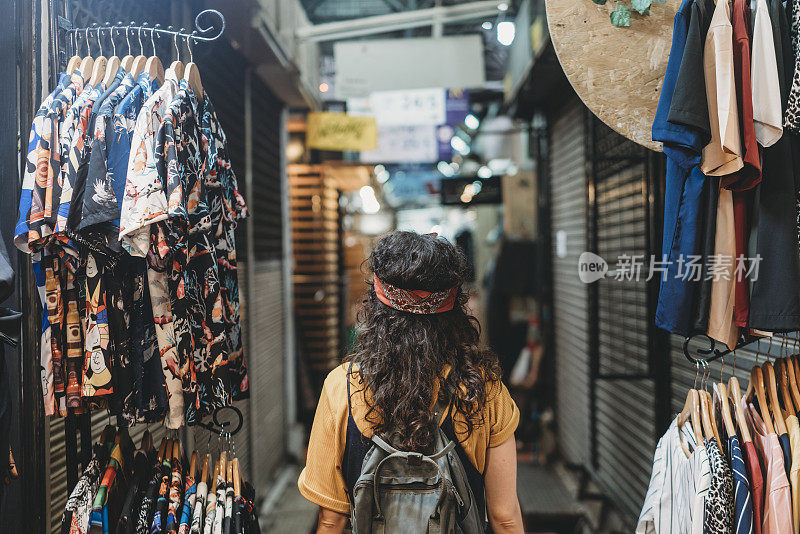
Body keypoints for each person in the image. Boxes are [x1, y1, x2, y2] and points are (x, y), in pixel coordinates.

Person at [297, 231, 524, 534]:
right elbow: (504, 518)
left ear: (376, 308)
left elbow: (331, 520)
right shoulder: (483, 390)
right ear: (455, 310)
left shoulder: (342, 386)